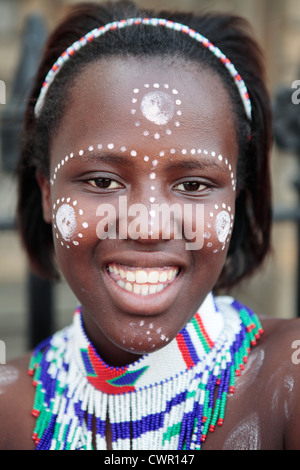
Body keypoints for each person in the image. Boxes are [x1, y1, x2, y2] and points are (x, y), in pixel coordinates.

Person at [0, 0, 300, 451]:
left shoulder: (287, 379)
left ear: (236, 197)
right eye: (102, 180)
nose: (148, 225)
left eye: (194, 185)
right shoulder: (7, 404)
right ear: (47, 193)